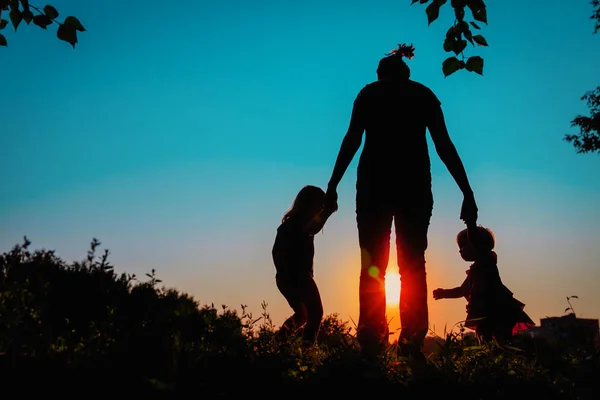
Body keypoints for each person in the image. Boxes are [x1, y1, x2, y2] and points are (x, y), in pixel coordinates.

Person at [323, 43, 478, 359]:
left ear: (383, 74)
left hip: (375, 188)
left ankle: (374, 338)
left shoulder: (371, 94)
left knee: (375, 264)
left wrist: (333, 184)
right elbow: (444, 146)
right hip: (412, 188)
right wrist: (467, 191)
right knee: (410, 264)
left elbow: (352, 139)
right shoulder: (420, 95)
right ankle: (408, 341)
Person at [433, 223, 535, 343]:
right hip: (482, 311)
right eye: (459, 247)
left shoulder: (486, 260)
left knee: (501, 341)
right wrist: (444, 293)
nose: (460, 250)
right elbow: (462, 290)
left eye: (463, 245)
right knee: (485, 341)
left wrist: (470, 221)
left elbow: (475, 240)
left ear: (477, 244)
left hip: (498, 309)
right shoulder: (474, 269)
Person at [272, 185, 334, 346]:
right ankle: (306, 350)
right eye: (319, 206)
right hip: (298, 276)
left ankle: (276, 344)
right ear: (309, 204)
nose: (320, 210)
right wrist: (327, 212)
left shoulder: (287, 225)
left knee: (301, 315)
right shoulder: (299, 223)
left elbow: (275, 252)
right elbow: (311, 228)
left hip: (284, 277)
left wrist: (281, 273)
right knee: (315, 313)